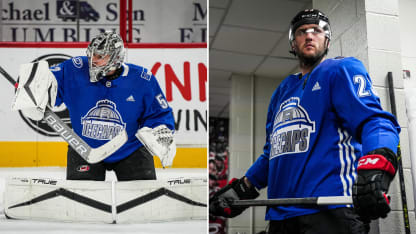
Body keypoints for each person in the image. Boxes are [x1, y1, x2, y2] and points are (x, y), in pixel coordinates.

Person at [210, 9, 400, 234]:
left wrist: (377, 164)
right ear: (293, 43)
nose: (309, 36)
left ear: (327, 40)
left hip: (330, 212)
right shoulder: (281, 92)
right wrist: (243, 187)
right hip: (281, 217)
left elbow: (375, 121)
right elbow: (272, 154)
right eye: (301, 32)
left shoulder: (340, 71)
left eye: (316, 31)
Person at [12, 31, 176, 181]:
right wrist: (32, 87)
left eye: (100, 57)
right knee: (81, 203)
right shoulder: (74, 68)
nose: (93, 61)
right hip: (84, 149)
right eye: (92, 55)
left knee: (143, 201)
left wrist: (160, 132)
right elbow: (48, 80)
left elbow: (159, 114)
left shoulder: (142, 79)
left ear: (116, 58)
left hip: (130, 150)